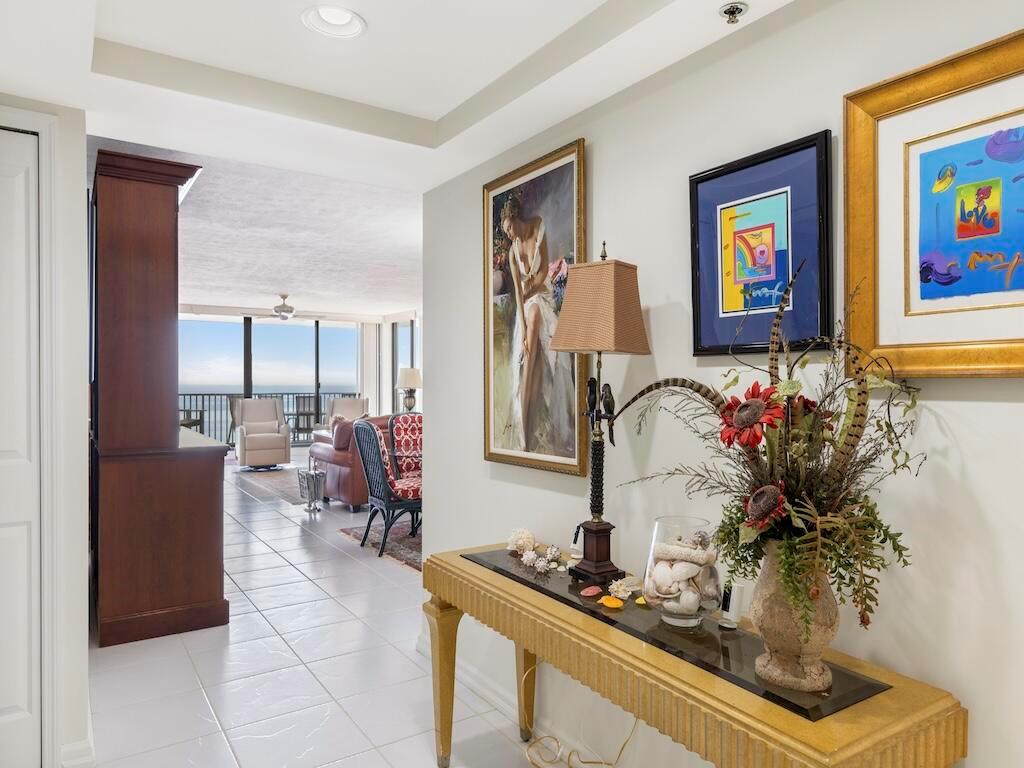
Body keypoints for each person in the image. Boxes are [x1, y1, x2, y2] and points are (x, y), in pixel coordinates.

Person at [499, 195, 574, 455]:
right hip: (527, 305)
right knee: (529, 333)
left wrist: (529, 289)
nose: (509, 234)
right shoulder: (513, 252)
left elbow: (542, 274)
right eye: (506, 232)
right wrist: (520, 325)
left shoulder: (538, 226)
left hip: (543, 295)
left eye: (510, 228)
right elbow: (518, 296)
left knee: (536, 327)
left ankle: (531, 427)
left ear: (516, 218)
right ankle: (525, 428)